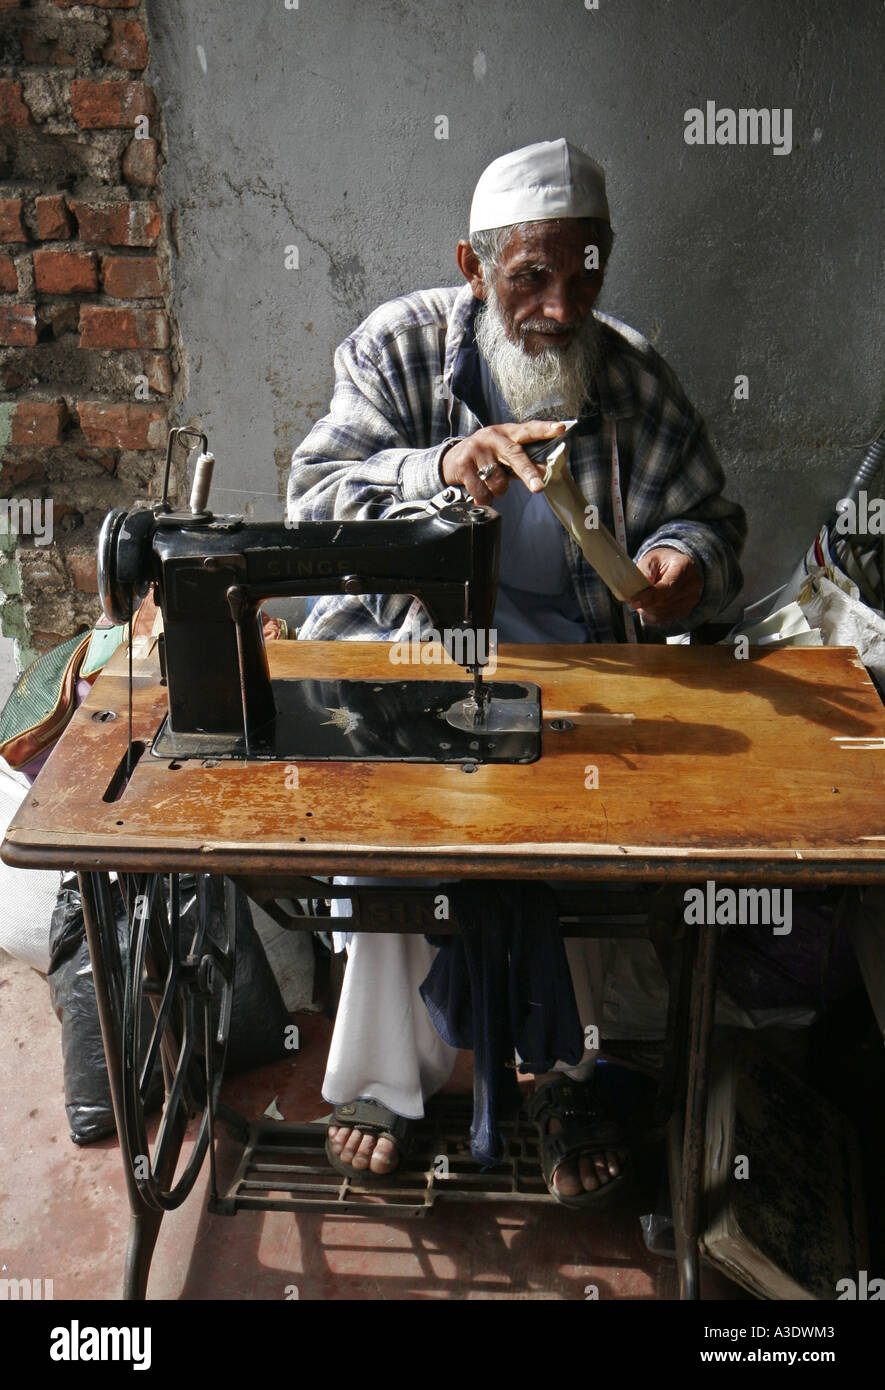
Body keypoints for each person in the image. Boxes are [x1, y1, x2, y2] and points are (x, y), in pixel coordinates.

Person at [286, 138, 746, 1205]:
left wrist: (686, 566)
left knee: (567, 816)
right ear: (472, 267)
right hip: (412, 647)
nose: (559, 302)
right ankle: (388, 1083)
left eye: (585, 271)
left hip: (569, 669)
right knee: (399, 813)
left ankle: (562, 1072)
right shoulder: (398, 352)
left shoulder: (630, 378)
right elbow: (315, 498)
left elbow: (710, 517)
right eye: (529, 276)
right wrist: (444, 465)